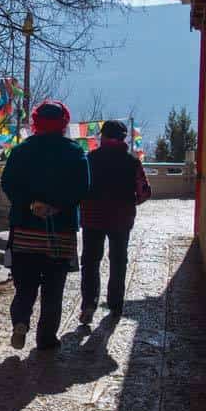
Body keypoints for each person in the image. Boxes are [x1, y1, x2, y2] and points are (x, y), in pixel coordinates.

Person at [1, 101, 90, 350]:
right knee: (53, 289)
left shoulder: (21, 151)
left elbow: (8, 183)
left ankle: (20, 322)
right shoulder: (75, 152)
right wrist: (58, 206)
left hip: (24, 230)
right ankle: (47, 338)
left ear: (36, 122)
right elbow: (83, 188)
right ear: (64, 122)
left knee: (25, 285)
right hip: (59, 232)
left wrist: (31, 204)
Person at [79, 120, 152, 324]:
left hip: (92, 217)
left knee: (91, 261)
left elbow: (80, 187)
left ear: (102, 136)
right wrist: (131, 202)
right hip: (121, 218)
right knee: (118, 261)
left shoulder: (90, 159)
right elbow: (145, 191)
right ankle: (116, 305)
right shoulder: (132, 162)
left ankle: (89, 305)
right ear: (123, 139)